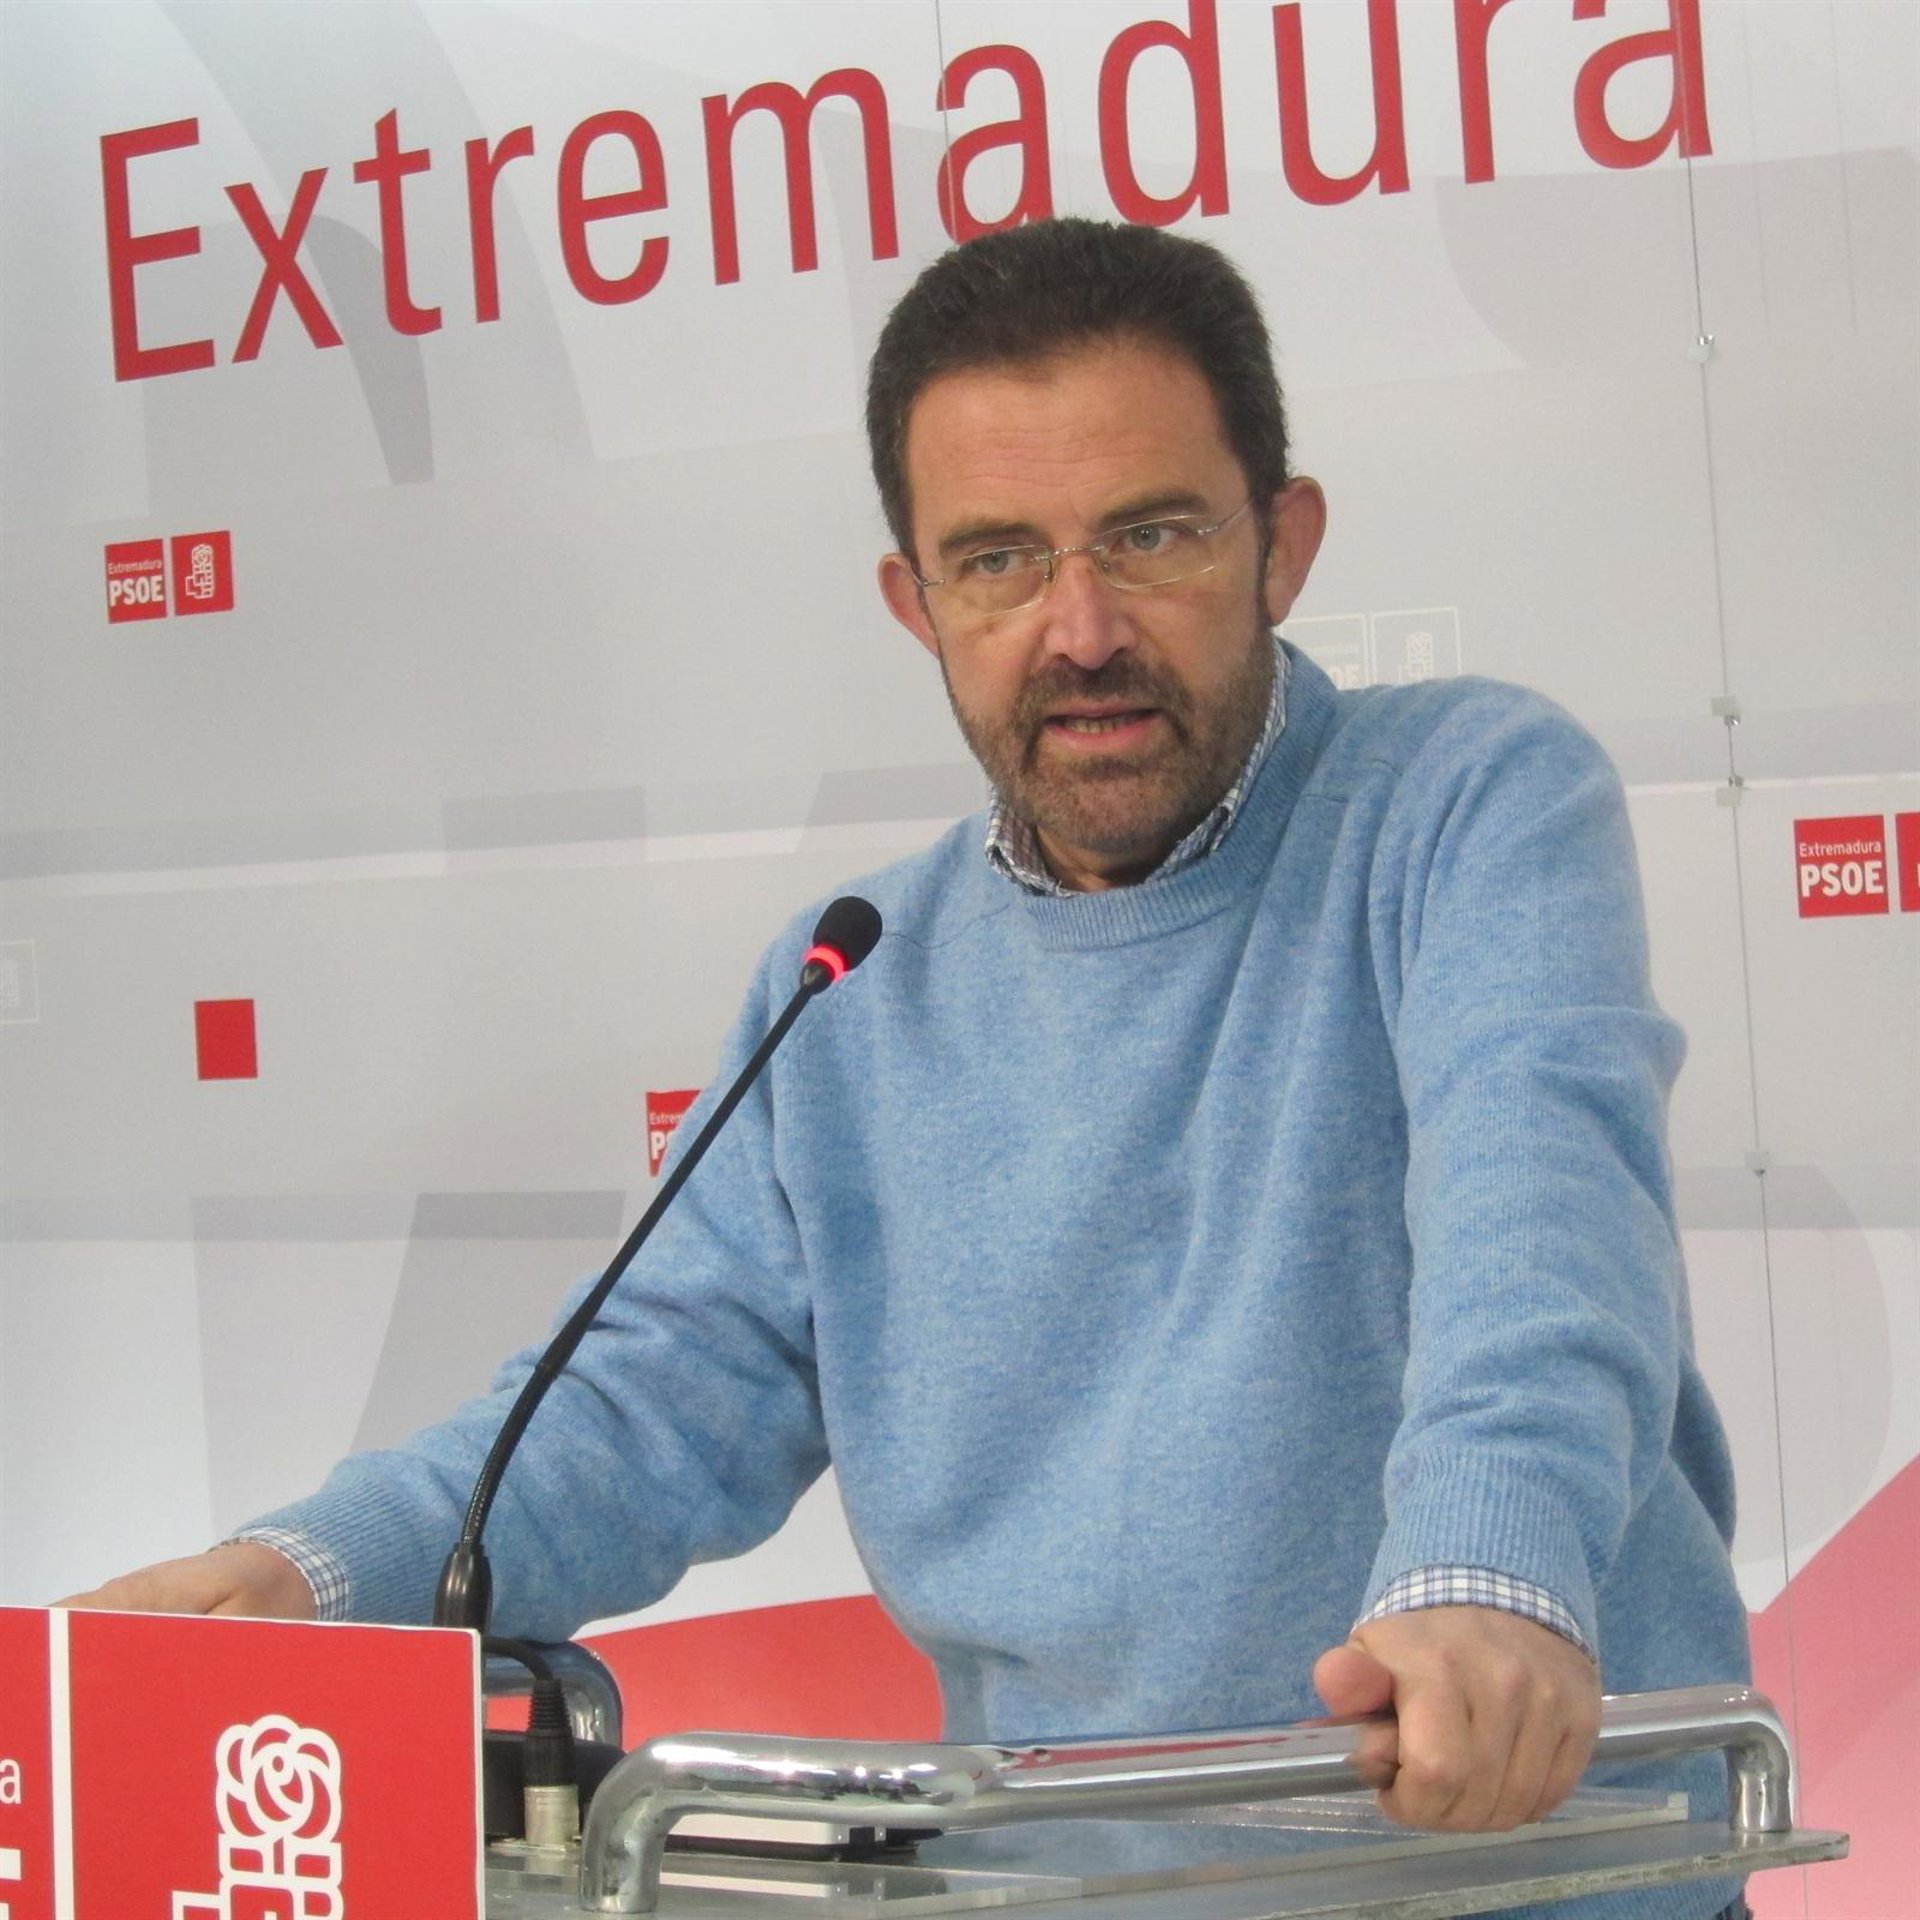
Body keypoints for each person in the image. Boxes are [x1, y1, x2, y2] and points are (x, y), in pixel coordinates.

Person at [66, 219, 1749, 1917]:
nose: (1080, 628)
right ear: (917, 602)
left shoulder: (1465, 799)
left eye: (1151, 534)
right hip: (1062, 1894)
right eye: (998, 562)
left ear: (1283, 546)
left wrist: (1489, 1572)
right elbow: (646, 1398)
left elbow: (1541, 1216)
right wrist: (314, 1577)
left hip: (1521, 1883)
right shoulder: (851, 978)